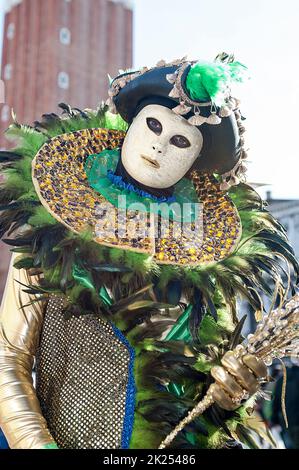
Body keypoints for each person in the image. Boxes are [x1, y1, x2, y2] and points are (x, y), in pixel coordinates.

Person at [0, 53, 297, 449]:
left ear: (194, 157)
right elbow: (8, 358)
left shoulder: (211, 266)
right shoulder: (51, 223)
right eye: (153, 125)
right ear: (132, 123)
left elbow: (195, 407)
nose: (158, 147)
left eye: (179, 141)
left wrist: (226, 397)